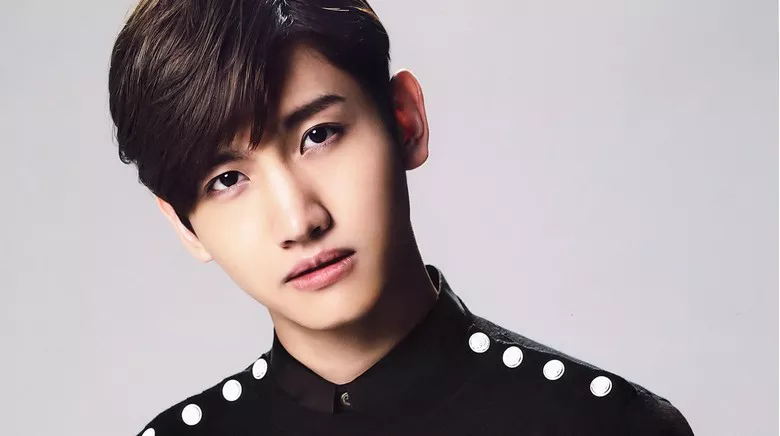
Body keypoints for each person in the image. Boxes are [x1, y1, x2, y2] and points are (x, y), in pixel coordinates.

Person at [108, 0, 695, 434]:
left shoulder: (605, 426)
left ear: (406, 120)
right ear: (183, 225)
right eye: (227, 179)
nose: (299, 220)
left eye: (319, 135)